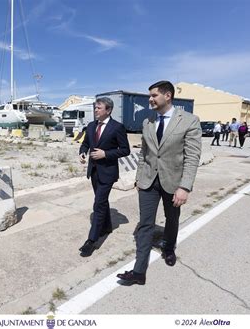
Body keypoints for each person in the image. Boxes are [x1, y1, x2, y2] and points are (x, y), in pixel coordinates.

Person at [116, 81, 201, 286]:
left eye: (154, 95)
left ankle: (169, 248)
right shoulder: (148, 121)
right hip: (148, 182)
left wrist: (185, 186)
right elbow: (144, 154)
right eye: (150, 96)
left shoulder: (189, 121)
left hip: (174, 182)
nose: (150, 99)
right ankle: (139, 272)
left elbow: (192, 157)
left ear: (168, 96)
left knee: (172, 219)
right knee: (146, 224)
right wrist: (139, 177)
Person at [78, 97, 130, 257]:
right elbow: (86, 143)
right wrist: (82, 152)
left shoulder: (117, 127)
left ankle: (92, 241)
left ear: (108, 110)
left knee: (98, 203)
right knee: (102, 202)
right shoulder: (92, 125)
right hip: (93, 171)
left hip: (108, 172)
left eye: (98, 108)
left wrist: (105, 154)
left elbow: (125, 150)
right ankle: (107, 226)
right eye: (95, 108)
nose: (95, 110)